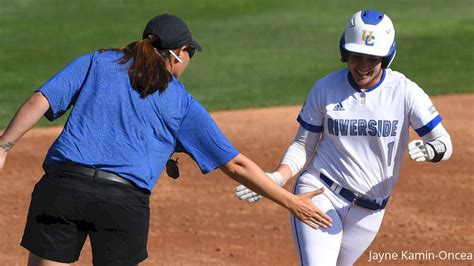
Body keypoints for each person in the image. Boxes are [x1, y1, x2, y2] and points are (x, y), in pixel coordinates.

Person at [0, 14, 332, 266]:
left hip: (62, 189)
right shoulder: (180, 102)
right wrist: (291, 201)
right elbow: (237, 164)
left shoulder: (96, 62)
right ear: (178, 54)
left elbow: (39, 100)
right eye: (190, 54)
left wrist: (4, 146)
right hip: (122, 204)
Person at [235, 10, 453, 265]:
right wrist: (276, 177)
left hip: (370, 212)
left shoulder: (405, 92)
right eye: (356, 55)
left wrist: (431, 151)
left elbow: (445, 144)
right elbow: (304, 144)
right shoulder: (326, 88)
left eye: (372, 58)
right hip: (320, 193)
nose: (362, 65)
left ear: (386, 57)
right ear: (344, 51)